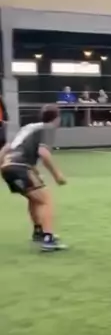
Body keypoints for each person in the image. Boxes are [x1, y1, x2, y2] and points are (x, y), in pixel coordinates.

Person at [0, 104, 67, 251]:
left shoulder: (28, 127)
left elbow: (8, 147)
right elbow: (43, 153)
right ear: (57, 119)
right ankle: (49, 239)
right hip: (20, 166)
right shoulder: (48, 128)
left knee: (34, 198)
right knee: (45, 199)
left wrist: (3, 166)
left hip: (7, 166)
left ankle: (38, 232)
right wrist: (57, 175)